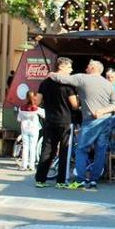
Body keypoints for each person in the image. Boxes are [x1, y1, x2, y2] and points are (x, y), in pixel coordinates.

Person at [49, 60, 115, 190]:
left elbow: (61, 79)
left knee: (82, 149)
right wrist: (103, 110)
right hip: (106, 121)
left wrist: (51, 74)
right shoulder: (109, 85)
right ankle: (94, 181)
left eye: (88, 66)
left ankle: (81, 179)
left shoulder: (82, 78)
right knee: (100, 151)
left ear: (93, 68)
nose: (86, 67)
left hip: (91, 121)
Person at [35, 57, 79, 188]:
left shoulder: (45, 82)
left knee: (47, 149)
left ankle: (40, 179)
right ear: (62, 67)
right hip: (65, 120)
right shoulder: (68, 84)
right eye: (69, 67)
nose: (71, 70)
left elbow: (37, 101)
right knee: (65, 150)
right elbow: (74, 105)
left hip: (49, 120)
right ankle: (61, 181)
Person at [17, 91, 44, 172]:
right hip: (34, 129)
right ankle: (31, 166)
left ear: (26, 97)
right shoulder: (37, 108)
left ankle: (23, 166)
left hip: (24, 129)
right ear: (34, 97)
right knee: (33, 147)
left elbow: (18, 119)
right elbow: (44, 115)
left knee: (25, 147)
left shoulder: (21, 108)